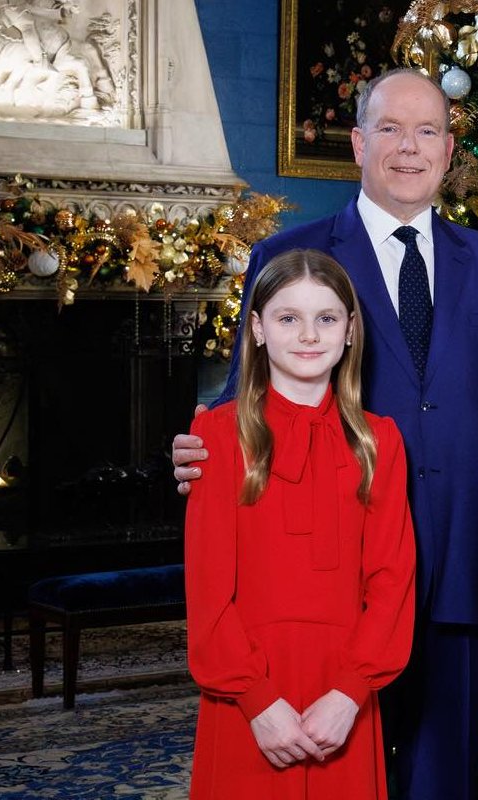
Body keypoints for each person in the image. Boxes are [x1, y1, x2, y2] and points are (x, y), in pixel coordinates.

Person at [172, 68, 478, 800]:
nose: (408, 147)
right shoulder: (292, 256)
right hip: (329, 596)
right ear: (360, 143)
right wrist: (196, 453)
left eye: (427, 131)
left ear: (449, 150)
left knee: (439, 781)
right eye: (390, 129)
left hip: (457, 570)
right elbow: (247, 398)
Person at [185, 249, 416, 798]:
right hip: (249, 697)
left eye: (326, 318)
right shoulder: (217, 437)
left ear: (350, 330)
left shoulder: (379, 441)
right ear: (257, 329)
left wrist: (350, 693)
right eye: (288, 318)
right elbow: (208, 590)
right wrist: (256, 700)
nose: (309, 335)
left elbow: (393, 581)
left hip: (342, 697)